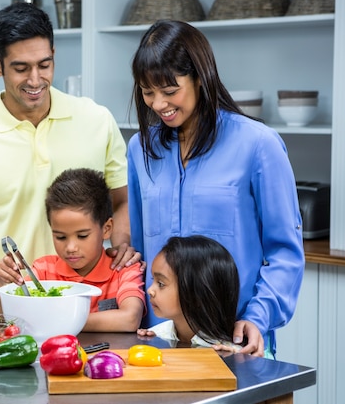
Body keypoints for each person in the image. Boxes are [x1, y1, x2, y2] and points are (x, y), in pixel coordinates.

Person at [0, 3, 140, 317]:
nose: (35, 79)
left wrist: (121, 241)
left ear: (54, 54)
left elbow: (122, 200)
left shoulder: (97, 120)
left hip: (88, 309)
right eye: (21, 68)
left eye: (45, 64)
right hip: (2, 310)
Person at [127, 20, 305, 357]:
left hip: (233, 341)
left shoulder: (258, 145)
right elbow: (141, 251)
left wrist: (259, 316)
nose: (158, 104)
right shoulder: (140, 150)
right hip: (159, 340)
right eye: (147, 92)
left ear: (199, 76)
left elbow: (285, 252)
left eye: (169, 90)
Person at [0, 168, 145, 332]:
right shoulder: (43, 271)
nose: (70, 248)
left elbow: (130, 319)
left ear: (106, 229)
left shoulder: (123, 269)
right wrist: (0, 281)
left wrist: (56, 320)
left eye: (82, 236)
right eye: (61, 237)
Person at [137, 235, 246, 354]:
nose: (150, 290)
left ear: (197, 296)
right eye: (153, 280)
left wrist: (232, 363)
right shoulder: (156, 335)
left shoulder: (231, 353)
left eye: (161, 284)